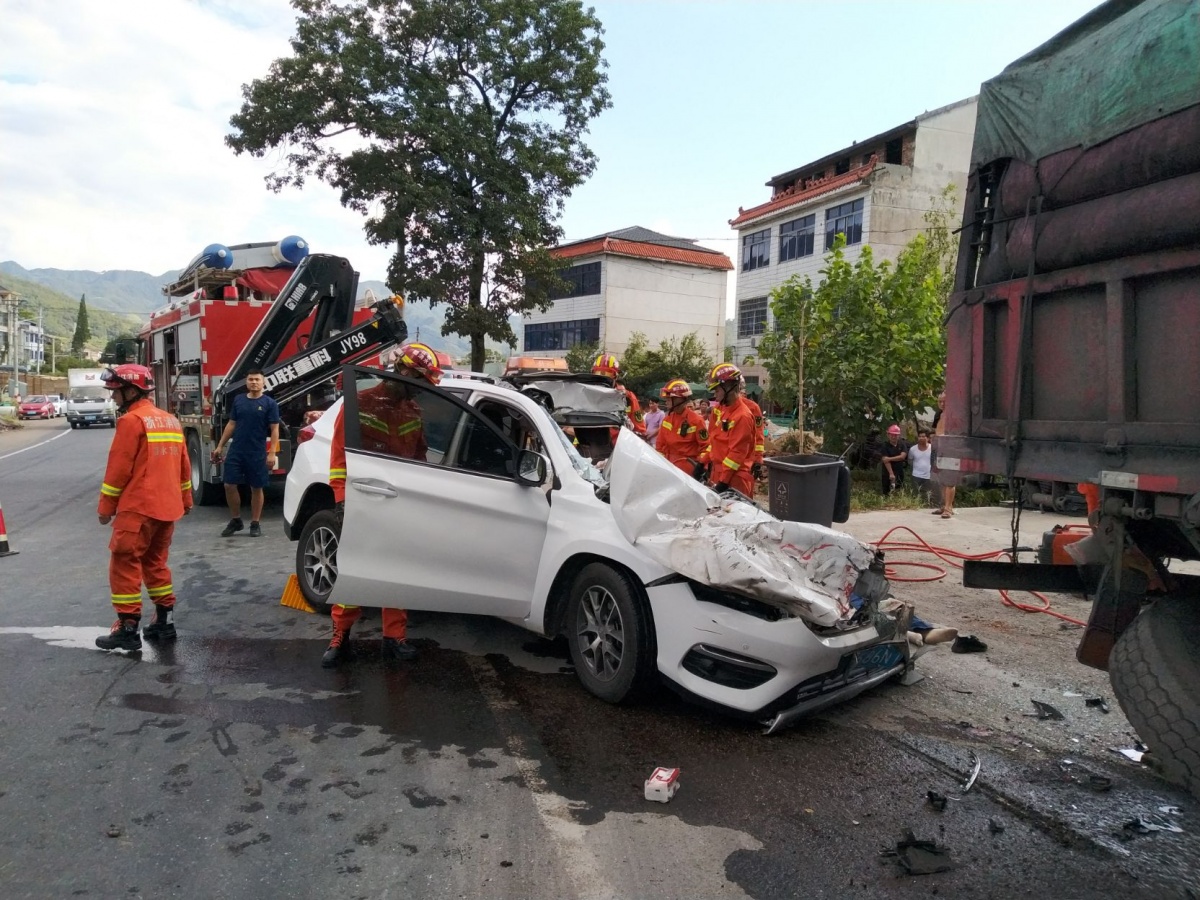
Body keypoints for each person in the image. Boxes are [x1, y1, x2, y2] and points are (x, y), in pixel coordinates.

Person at [321, 342, 443, 668]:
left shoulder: (413, 412)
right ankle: (340, 638)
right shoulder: (359, 404)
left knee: (397, 573)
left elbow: (419, 458)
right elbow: (338, 458)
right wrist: (342, 501)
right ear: (401, 370)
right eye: (418, 379)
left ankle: (394, 640)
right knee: (354, 574)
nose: (420, 390)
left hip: (400, 504)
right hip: (362, 502)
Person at [95, 364, 193, 651]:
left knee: (124, 564)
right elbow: (183, 468)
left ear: (131, 390)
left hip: (138, 510)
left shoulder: (131, 422)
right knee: (155, 563)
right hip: (168, 508)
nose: (113, 397)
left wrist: (106, 507)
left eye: (116, 391)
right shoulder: (170, 421)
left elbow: (118, 471)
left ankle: (127, 629)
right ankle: (165, 621)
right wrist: (186, 500)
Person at [212, 368, 280, 538]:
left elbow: (274, 430)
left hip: (256, 451)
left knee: (256, 487)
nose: (254, 382)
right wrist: (220, 446)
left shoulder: (270, 403)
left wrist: (272, 453)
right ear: (247, 382)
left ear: (263, 382)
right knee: (229, 484)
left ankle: (255, 523)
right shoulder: (239, 400)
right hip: (237, 450)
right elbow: (231, 424)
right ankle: (236, 520)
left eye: (257, 379)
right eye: (251, 379)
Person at [700, 363, 757, 498]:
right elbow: (715, 443)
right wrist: (702, 463)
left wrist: (723, 482)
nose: (715, 395)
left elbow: (736, 454)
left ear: (729, 387)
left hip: (734, 479)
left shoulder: (742, 416)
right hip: (720, 474)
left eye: (717, 390)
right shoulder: (722, 411)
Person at [655, 379, 709, 477]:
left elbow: (706, 448)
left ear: (679, 399)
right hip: (669, 468)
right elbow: (659, 446)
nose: (666, 402)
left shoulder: (696, 421)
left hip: (689, 470)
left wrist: (700, 467)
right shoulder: (667, 420)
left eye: (668, 399)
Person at [591, 353, 646, 438]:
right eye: (598, 376)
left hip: (618, 447)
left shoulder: (627, 397)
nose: (602, 381)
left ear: (615, 377)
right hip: (591, 446)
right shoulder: (588, 395)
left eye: (607, 376)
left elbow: (640, 430)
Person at [932, 391, 956, 518]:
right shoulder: (938, 414)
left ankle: (949, 507)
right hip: (938, 448)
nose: (942, 404)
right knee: (940, 479)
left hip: (950, 448)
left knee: (950, 480)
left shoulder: (954, 414)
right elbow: (936, 430)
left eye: (944, 401)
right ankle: (943, 506)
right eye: (940, 401)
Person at [739, 376, 766, 481]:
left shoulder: (753, 407)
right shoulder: (720, 408)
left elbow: (759, 433)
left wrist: (758, 458)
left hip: (745, 461)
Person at [880, 424, 908, 495]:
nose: (893, 437)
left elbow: (902, 457)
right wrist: (891, 474)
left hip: (899, 471)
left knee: (898, 490)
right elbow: (885, 461)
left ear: (898, 435)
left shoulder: (902, 444)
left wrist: (889, 458)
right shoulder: (885, 446)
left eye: (895, 435)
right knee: (887, 492)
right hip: (888, 473)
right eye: (891, 434)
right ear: (888, 435)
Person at [909, 429, 933, 502]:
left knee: (927, 496)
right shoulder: (913, 449)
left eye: (923, 436)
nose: (921, 438)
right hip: (916, 475)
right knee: (915, 495)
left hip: (929, 476)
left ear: (928, 438)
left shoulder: (932, 448)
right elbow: (910, 460)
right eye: (920, 436)